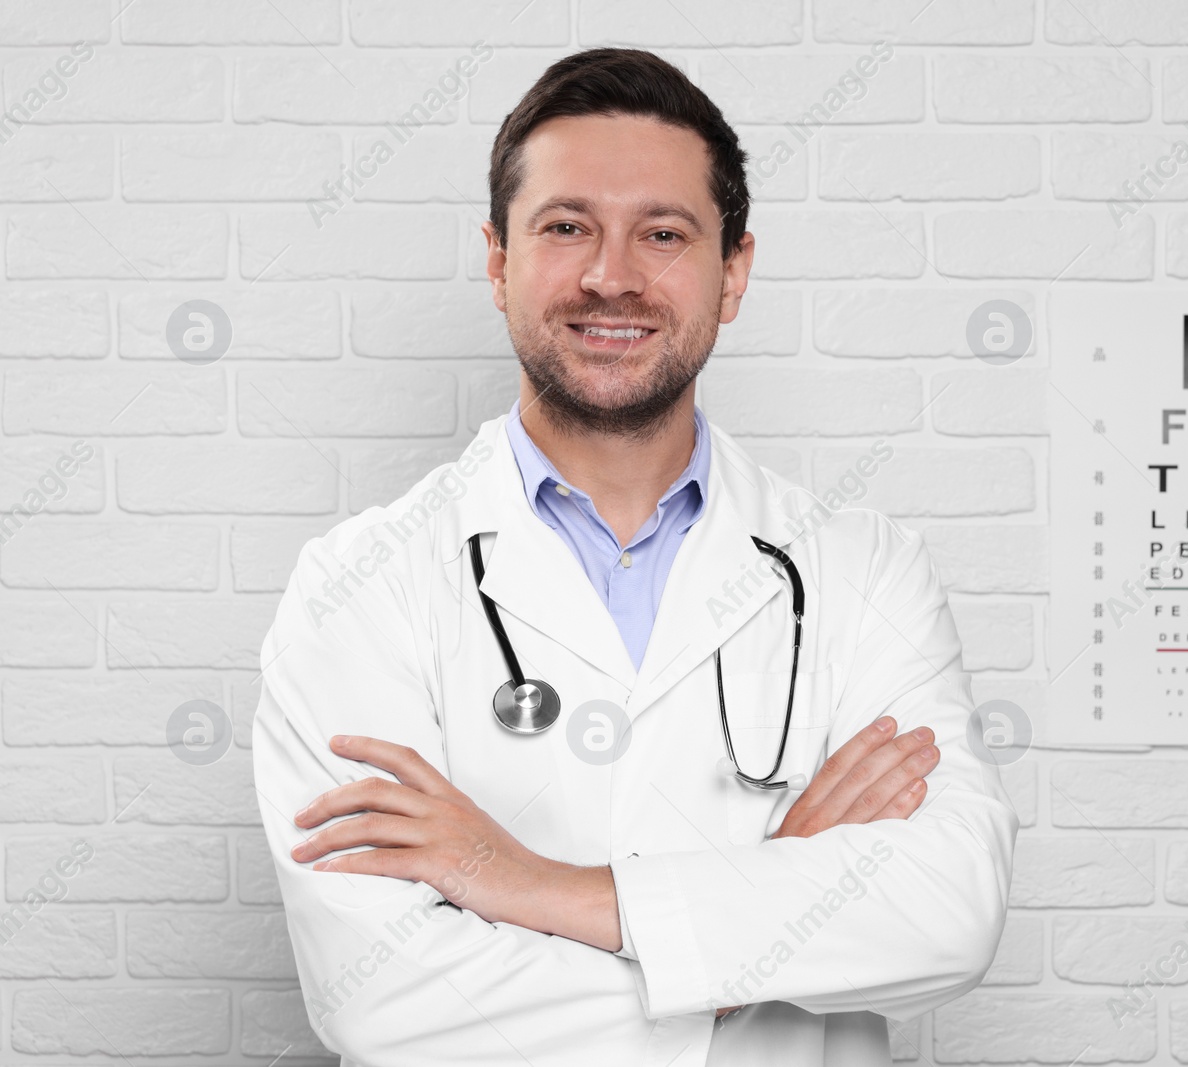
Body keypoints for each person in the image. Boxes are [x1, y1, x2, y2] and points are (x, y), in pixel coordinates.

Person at [252, 46, 1018, 1067]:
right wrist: (765, 912)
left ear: (732, 271)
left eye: (662, 233)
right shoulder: (359, 584)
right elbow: (381, 996)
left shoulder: (863, 569)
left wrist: (527, 882)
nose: (610, 277)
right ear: (497, 261)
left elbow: (948, 908)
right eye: (566, 227)